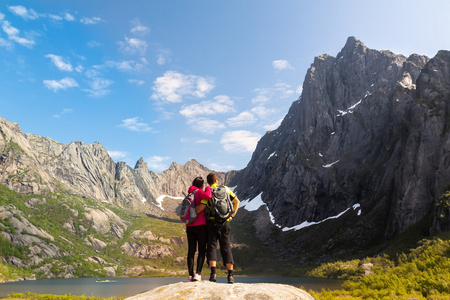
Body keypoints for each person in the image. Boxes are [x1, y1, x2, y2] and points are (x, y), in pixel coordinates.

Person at [199, 172, 240, 284]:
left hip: (212, 222)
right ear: (216, 180)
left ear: (208, 182)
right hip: (225, 222)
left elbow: (202, 207)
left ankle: (213, 274)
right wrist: (232, 216)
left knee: (211, 246)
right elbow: (237, 202)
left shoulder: (208, 191)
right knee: (226, 246)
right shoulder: (226, 189)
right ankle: (230, 276)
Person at [185, 176, 211, 281]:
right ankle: (197, 274)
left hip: (189, 226)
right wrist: (208, 188)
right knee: (201, 250)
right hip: (200, 225)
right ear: (201, 185)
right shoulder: (199, 192)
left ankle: (190, 275)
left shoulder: (189, 193)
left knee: (191, 250)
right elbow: (208, 196)